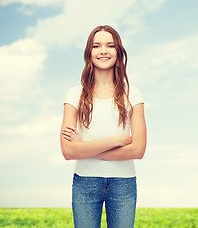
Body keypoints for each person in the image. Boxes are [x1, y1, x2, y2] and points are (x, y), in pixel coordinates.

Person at [60, 25, 147, 228]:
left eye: (110, 45)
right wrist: (116, 141)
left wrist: (85, 148)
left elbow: (138, 150)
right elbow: (68, 150)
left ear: (118, 51)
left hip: (123, 182)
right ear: (89, 52)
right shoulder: (74, 95)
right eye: (97, 45)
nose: (104, 51)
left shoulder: (132, 94)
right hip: (85, 182)